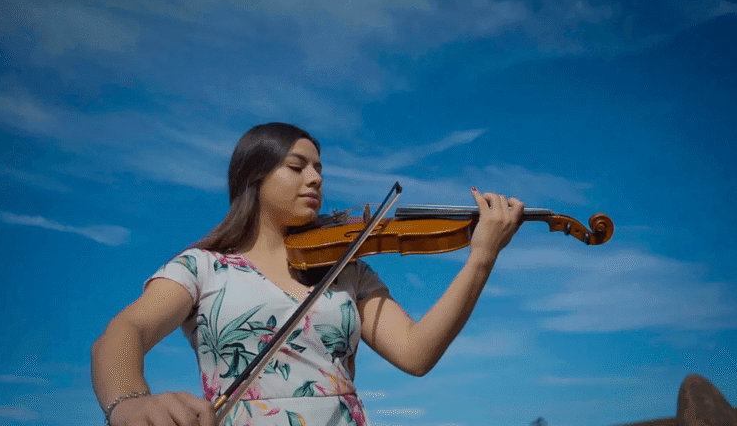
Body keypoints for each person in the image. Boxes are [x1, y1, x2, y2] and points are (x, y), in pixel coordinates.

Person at [91, 122, 524, 426]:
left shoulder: (345, 270)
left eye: (319, 169)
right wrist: (127, 401)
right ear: (253, 177)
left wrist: (480, 258)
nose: (315, 178)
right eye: (297, 167)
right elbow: (125, 330)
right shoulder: (204, 267)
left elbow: (415, 353)